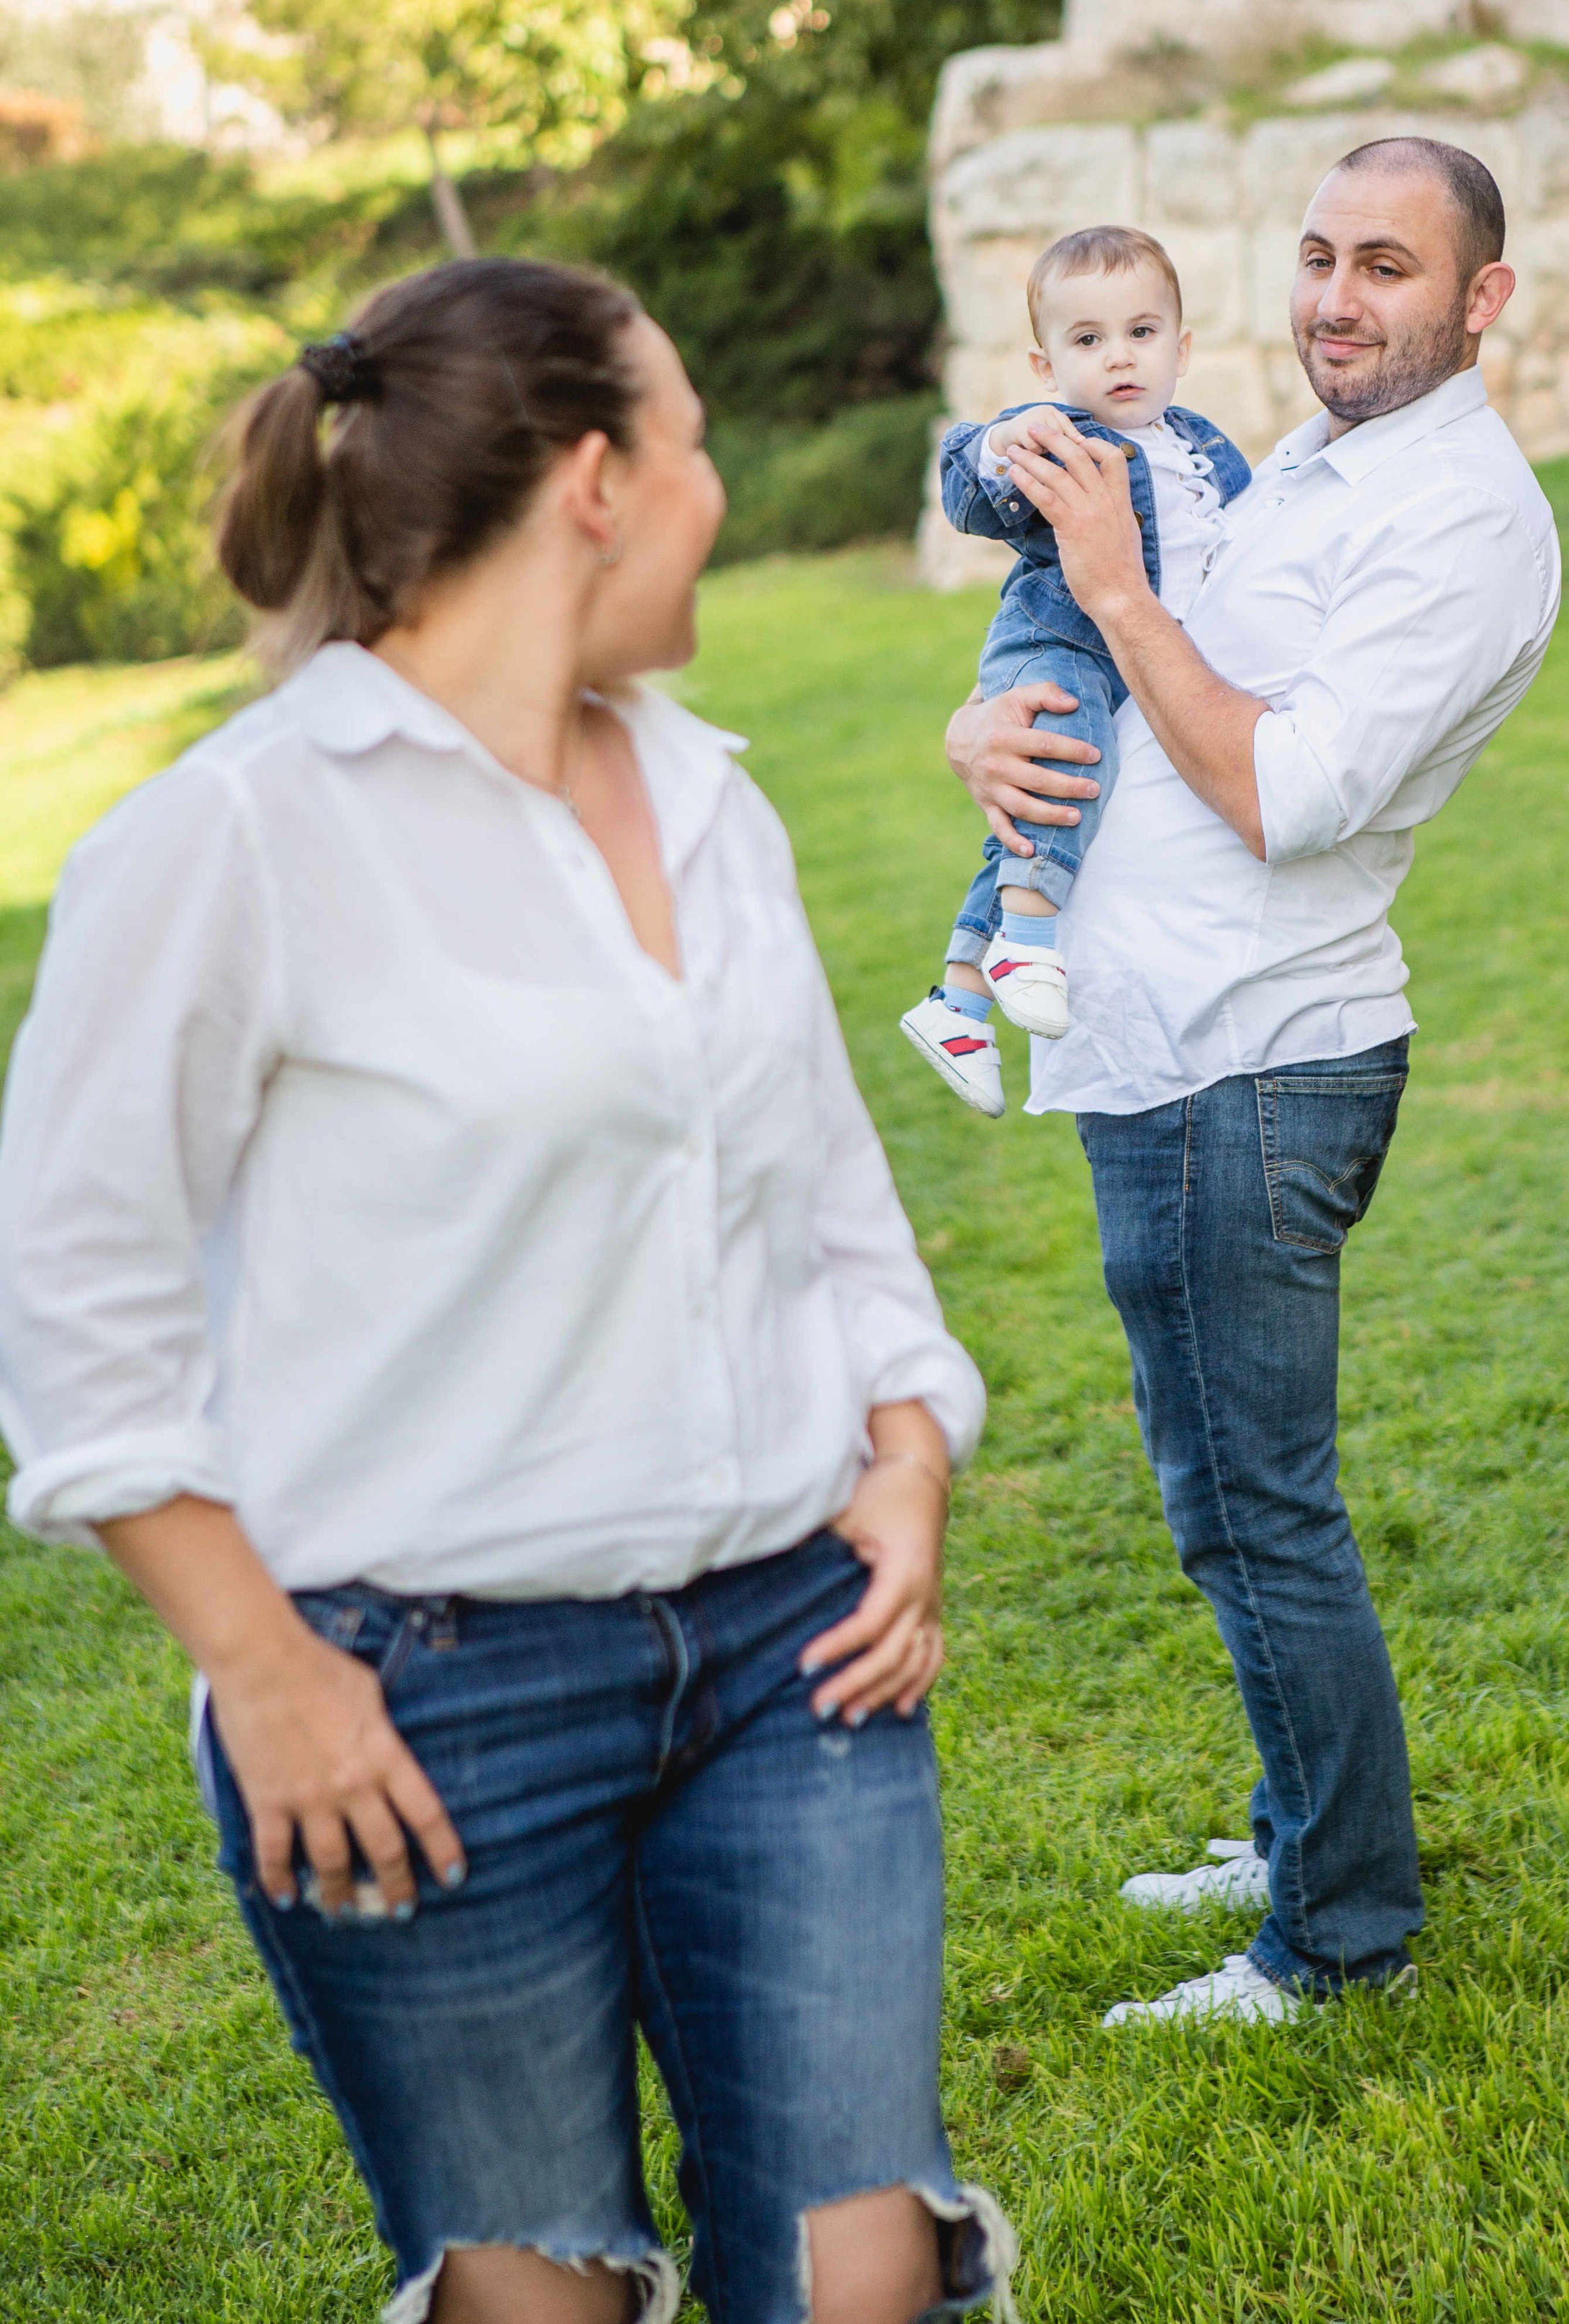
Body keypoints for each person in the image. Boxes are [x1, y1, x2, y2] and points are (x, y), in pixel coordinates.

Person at [0, 258, 1016, 2324]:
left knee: (860, 2274)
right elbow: (74, 1309)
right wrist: (265, 1669)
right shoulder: (230, 838)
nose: (722, 490)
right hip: (416, 1700)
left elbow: (828, 1188)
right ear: (596, 483)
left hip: (794, 1653)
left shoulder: (712, 797)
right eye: (696, 443)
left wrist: (909, 1447)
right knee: (537, 2299)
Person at [942, 137, 1560, 2024]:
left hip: (1254, 1059)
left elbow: (1283, 791)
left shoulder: (1459, 516)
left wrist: (1114, 587)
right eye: (1315, 255)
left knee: (1257, 1507)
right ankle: (1309, 1823)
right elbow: (1126, 676)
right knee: (1223, 1496)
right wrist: (993, 724)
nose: (1334, 299)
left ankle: (1339, 1932)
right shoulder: (1306, 457)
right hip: (1161, 1040)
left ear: (1481, 297)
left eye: (1386, 264)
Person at [901, 226, 1249, 1117]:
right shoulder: (1059, 439)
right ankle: (1025, 941)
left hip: (1142, 663)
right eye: (1087, 339)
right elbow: (969, 492)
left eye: (1142, 332)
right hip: (1058, 645)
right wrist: (1003, 439)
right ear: (1045, 365)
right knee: (1068, 764)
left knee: (1039, 807)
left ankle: (957, 1004)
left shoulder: (1205, 449)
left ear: (1181, 349)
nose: (1119, 357)